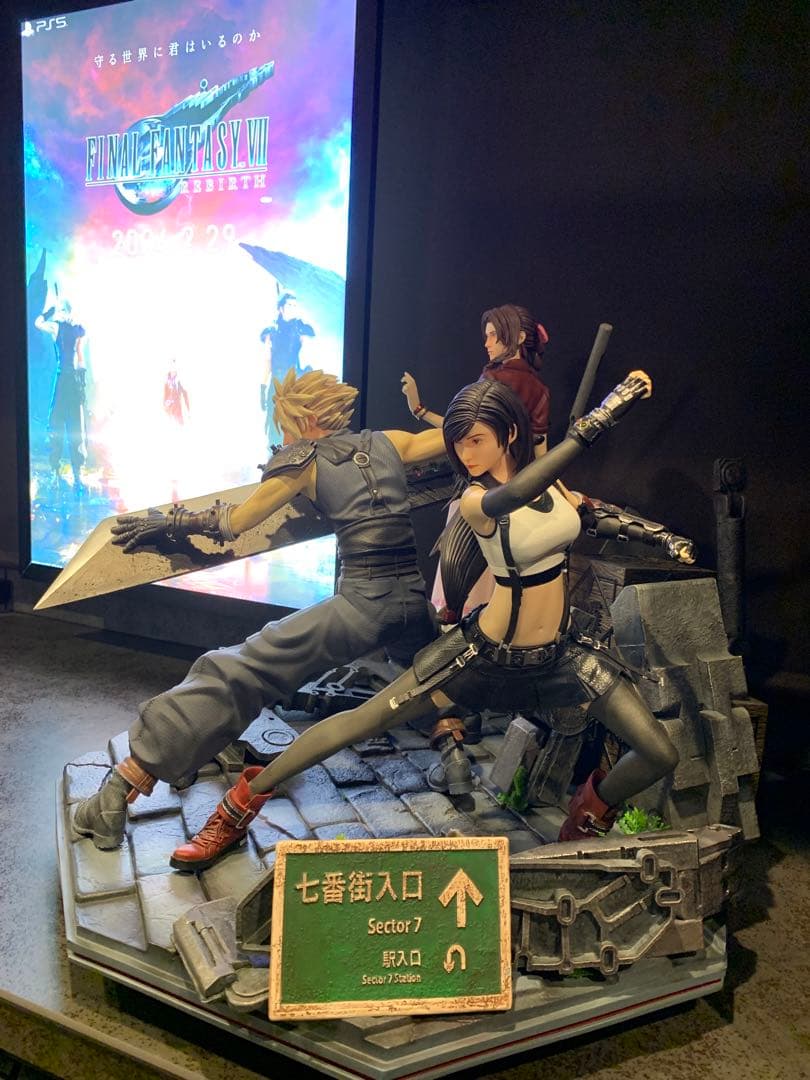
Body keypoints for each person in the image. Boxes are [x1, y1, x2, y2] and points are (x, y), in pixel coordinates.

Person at [170, 374, 695, 871]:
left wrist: (661, 538)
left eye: (476, 440)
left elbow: (589, 514)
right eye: (457, 443)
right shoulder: (476, 499)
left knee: (659, 752)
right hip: (483, 658)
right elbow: (515, 494)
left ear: (509, 434)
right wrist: (600, 419)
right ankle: (238, 806)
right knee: (362, 720)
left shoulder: (553, 487)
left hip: (559, 656)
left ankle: (586, 817)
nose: (465, 455)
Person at [73, 369, 450, 854]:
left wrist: (170, 522)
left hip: (363, 607)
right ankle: (454, 750)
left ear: (305, 420)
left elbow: (236, 521)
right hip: (414, 602)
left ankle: (119, 790)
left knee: (237, 669)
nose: (283, 437)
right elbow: (457, 438)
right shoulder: (389, 442)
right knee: (431, 666)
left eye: (285, 427)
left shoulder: (302, 461)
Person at [34, 299, 87, 490]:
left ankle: (74, 473)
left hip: (70, 380)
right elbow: (37, 323)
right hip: (65, 380)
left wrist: (82, 379)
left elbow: (80, 355)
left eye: (64, 310)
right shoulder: (60, 327)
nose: (63, 313)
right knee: (59, 424)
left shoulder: (75, 329)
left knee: (72, 427)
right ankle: (59, 470)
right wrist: (49, 311)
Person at [260, 292, 315, 450]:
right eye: (289, 305)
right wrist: (262, 387)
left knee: (294, 425)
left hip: (294, 382)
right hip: (276, 383)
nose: (292, 308)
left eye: (294, 305)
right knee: (275, 427)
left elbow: (307, 356)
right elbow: (268, 361)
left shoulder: (301, 329)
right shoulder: (272, 332)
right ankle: (275, 458)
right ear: (281, 308)